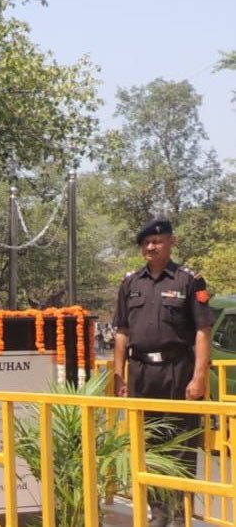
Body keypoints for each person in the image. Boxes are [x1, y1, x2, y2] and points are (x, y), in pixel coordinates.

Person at [113, 218, 213, 527]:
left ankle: (181, 516)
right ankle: (158, 514)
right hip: (141, 372)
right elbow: (122, 331)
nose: (150, 247)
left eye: (157, 241)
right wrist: (120, 376)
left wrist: (199, 377)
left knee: (182, 444)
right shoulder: (130, 283)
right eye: (145, 243)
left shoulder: (189, 281)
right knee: (148, 446)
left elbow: (203, 330)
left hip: (177, 371)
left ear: (172, 242)